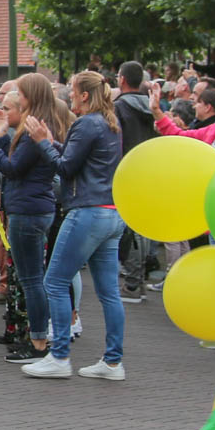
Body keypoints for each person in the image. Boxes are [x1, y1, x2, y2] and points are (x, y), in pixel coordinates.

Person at [23, 71, 127, 381]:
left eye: (72, 90)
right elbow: (79, 159)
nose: (69, 94)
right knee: (109, 292)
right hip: (111, 212)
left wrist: (43, 143)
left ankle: (59, 356)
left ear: (84, 95)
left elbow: (66, 167)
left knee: (55, 282)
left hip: (87, 212)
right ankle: (112, 362)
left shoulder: (86, 123)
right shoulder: (110, 122)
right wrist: (53, 143)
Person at [0, 74, 67, 362]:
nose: (16, 99)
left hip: (28, 209)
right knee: (30, 278)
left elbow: (12, 168)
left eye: (20, 94)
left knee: (31, 279)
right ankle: (34, 337)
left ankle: (37, 342)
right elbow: (16, 163)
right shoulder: (40, 125)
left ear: (30, 96)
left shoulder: (34, 128)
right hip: (34, 206)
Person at [113, 62, 159, 302]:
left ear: (122, 79)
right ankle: (138, 280)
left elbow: (115, 141)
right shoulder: (152, 107)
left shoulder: (119, 107)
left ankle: (131, 283)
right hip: (148, 170)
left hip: (126, 171)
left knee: (128, 229)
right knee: (142, 227)